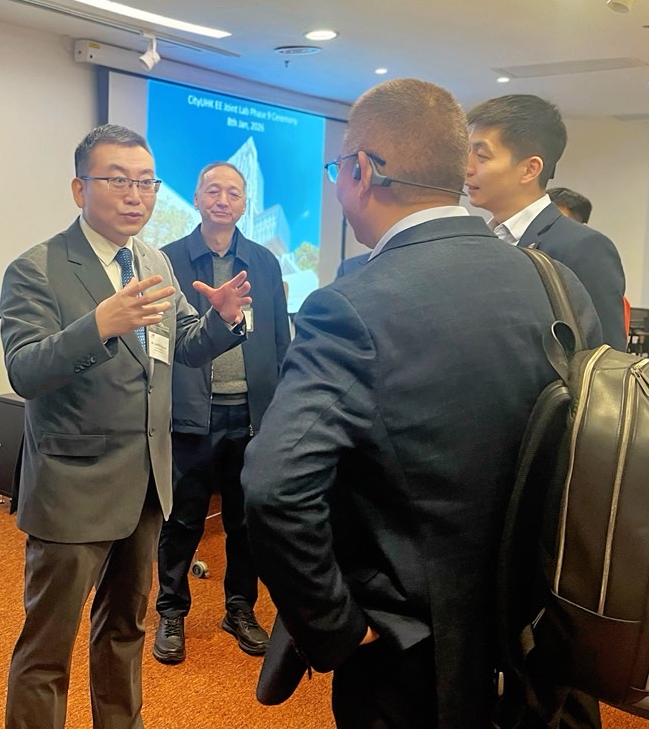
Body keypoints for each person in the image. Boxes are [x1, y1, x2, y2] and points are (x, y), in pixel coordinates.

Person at [243, 78, 601, 728]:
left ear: (360, 171)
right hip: (543, 629)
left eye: (337, 170)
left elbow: (275, 488)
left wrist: (336, 628)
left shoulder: (351, 305)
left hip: (415, 655)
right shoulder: (556, 283)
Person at [0, 124, 251, 729]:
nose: (136, 195)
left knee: (124, 631)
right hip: (73, 487)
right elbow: (25, 370)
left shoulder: (153, 260)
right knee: (47, 649)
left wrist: (220, 322)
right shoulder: (37, 267)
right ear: (79, 188)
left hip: (145, 485)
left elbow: (181, 343)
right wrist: (98, 326)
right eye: (118, 180)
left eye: (146, 182)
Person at [153, 161, 290, 664]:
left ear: (245, 203)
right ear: (196, 197)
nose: (223, 199)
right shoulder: (168, 260)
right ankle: (171, 611)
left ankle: (239, 608)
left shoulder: (264, 262)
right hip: (192, 415)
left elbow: (279, 340)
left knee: (244, 522)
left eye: (233, 192)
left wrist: (280, 409)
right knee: (182, 520)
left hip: (251, 416)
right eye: (213, 190)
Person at [465, 94, 627, 351]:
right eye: (467, 152)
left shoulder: (583, 247)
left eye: (482, 156)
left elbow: (606, 359)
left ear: (530, 169)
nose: (467, 167)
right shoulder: (477, 241)